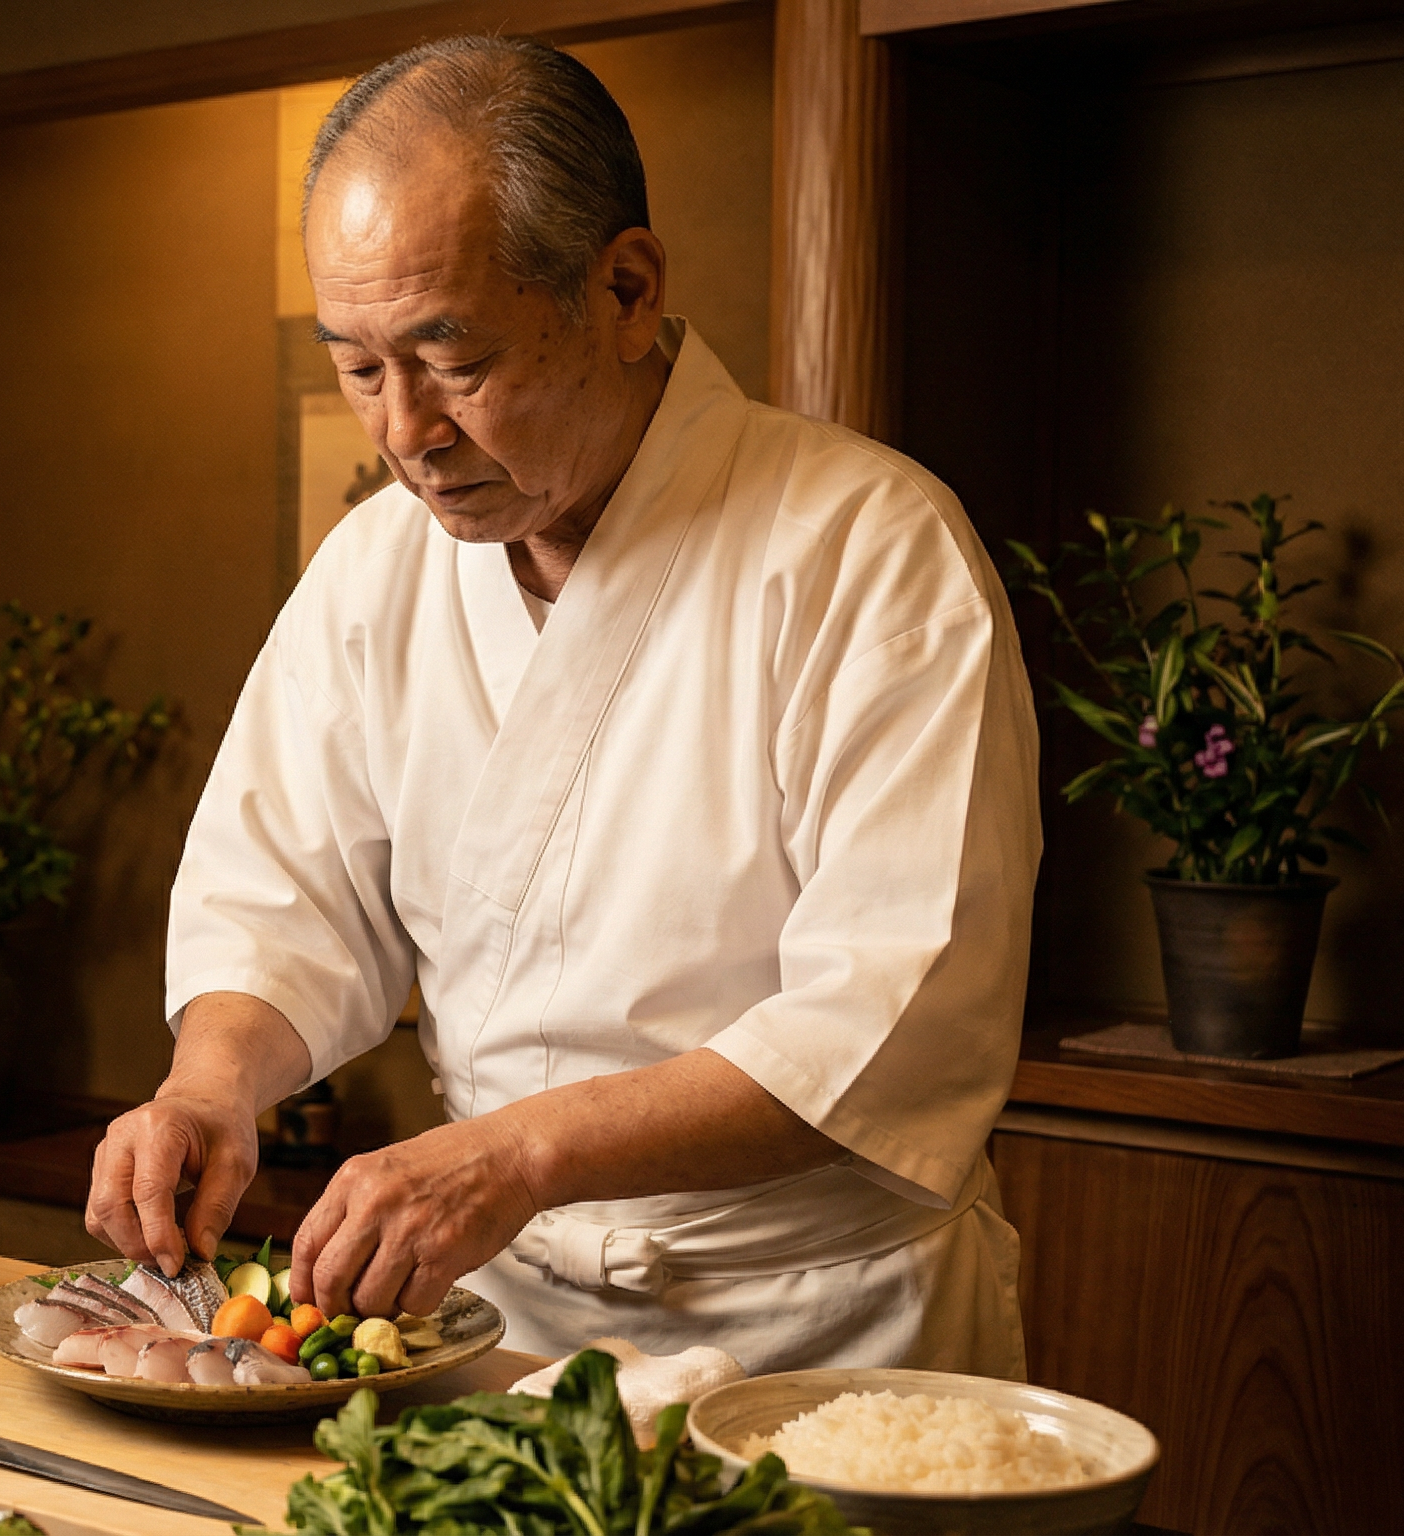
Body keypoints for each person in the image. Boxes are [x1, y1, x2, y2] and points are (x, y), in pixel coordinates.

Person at [84, 35, 1040, 1377]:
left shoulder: (868, 550)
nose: (405, 430)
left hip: (819, 1327)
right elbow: (284, 897)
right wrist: (211, 1086)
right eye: (358, 367)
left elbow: (891, 1014)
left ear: (626, 290)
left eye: (454, 357)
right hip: (491, 1315)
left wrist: (519, 1154)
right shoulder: (374, 569)